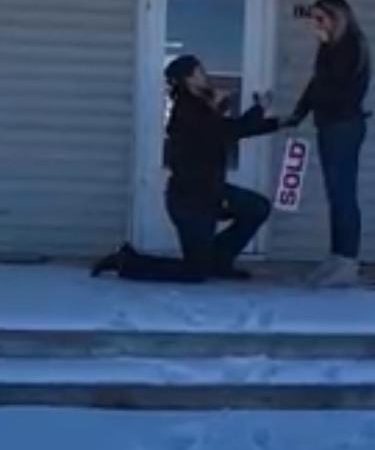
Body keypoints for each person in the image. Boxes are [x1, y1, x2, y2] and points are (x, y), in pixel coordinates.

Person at [92, 54, 280, 282]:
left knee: (256, 207)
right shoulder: (188, 111)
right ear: (188, 79)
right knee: (193, 272)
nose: (205, 75)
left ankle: (219, 260)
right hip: (190, 199)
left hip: (209, 190)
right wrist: (259, 110)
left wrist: (276, 123)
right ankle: (127, 262)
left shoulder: (201, 105)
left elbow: (225, 130)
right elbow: (227, 132)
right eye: (200, 71)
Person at [285, 0, 371, 287]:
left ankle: (348, 260)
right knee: (335, 192)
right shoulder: (329, 47)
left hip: (344, 126)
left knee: (344, 192)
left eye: (321, 19)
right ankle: (337, 256)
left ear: (337, 18)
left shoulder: (350, 47)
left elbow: (337, 87)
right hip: (329, 124)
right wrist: (299, 113)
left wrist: (318, 105)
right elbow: (316, 83)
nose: (315, 25)